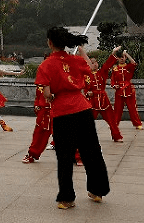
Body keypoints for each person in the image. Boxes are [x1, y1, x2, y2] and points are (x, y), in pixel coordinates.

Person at [36, 27, 110, 209]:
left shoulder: (45, 65)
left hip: (63, 112)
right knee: (91, 151)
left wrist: (52, 96)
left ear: (50, 43)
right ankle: (97, 191)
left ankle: (67, 198)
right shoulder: (76, 60)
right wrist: (81, 49)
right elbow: (91, 68)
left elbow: (46, 93)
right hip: (83, 108)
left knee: (65, 155)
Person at [78, 47, 124, 143]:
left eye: (95, 62)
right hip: (92, 101)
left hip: (103, 100)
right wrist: (87, 93)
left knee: (111, 120)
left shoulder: (101, 72)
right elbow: (84, 88)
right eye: (92, 63)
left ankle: (117, 136)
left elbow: (107, 65)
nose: (94, 64)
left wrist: (113, 52)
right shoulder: (86, 75)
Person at [21, 69, 52, 164]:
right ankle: (32, 154)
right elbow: (38, 96)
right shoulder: (41, 83)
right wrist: (37, 105)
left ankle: (77, 156)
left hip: (60, 109)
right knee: (40, 133)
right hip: (44, 110)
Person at [109, 48, 143, 130]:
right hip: (119, 91)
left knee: (132, 108)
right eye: (120, 57)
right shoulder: (115, 68)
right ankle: (115, 124)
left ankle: (137, 123)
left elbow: (134, 63)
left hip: (129, 90)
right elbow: (112, 80)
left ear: (125, 58)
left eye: (123, 57)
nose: (121, 59)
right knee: (117, 109)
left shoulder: (129, 67)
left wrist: (126, 54)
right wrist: (114, 86)